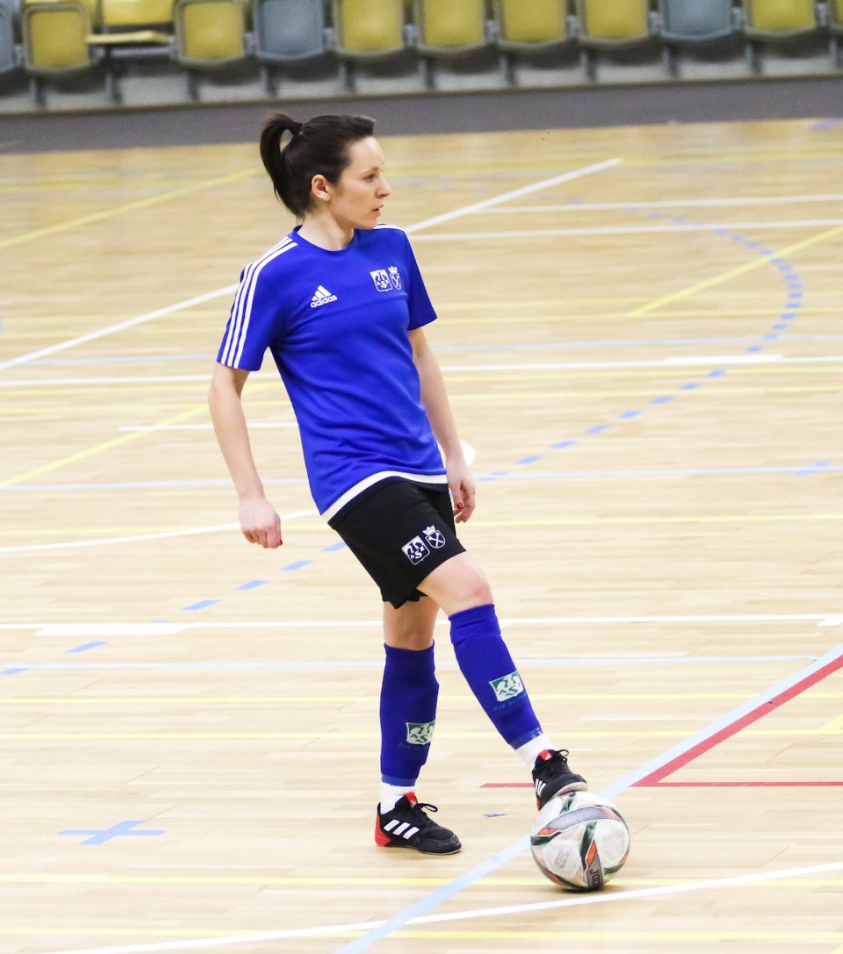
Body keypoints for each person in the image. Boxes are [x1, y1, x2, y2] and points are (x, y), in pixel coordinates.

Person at [209, 113, 586, 855]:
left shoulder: (394, 249)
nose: (386, 188)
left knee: (411, 634)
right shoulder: (274, 275)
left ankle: (396, 804)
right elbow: (225, 385)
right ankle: (544, 762)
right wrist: (250, 493)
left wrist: (453, 456)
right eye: (371, 176)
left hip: (419, 468)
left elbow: (420, 355)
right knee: (470, 589)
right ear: (324, 187)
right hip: (354, 479)